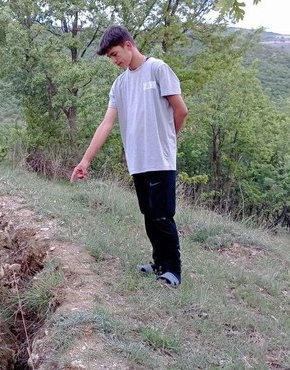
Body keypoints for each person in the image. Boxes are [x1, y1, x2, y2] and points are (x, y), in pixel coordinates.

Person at [70, 25, 188, 287]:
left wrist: (167, 141)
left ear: (128, 45)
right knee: (148, 213)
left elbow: (181, 111)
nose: (114, 61)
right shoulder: (120, 83)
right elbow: (107, 124)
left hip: (160, 159)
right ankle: (159, 263)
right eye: (110, 58)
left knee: (162, 215)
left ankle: (173, 271)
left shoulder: (158, 69)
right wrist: (86, 160)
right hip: (138, 161)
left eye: (115, 54)